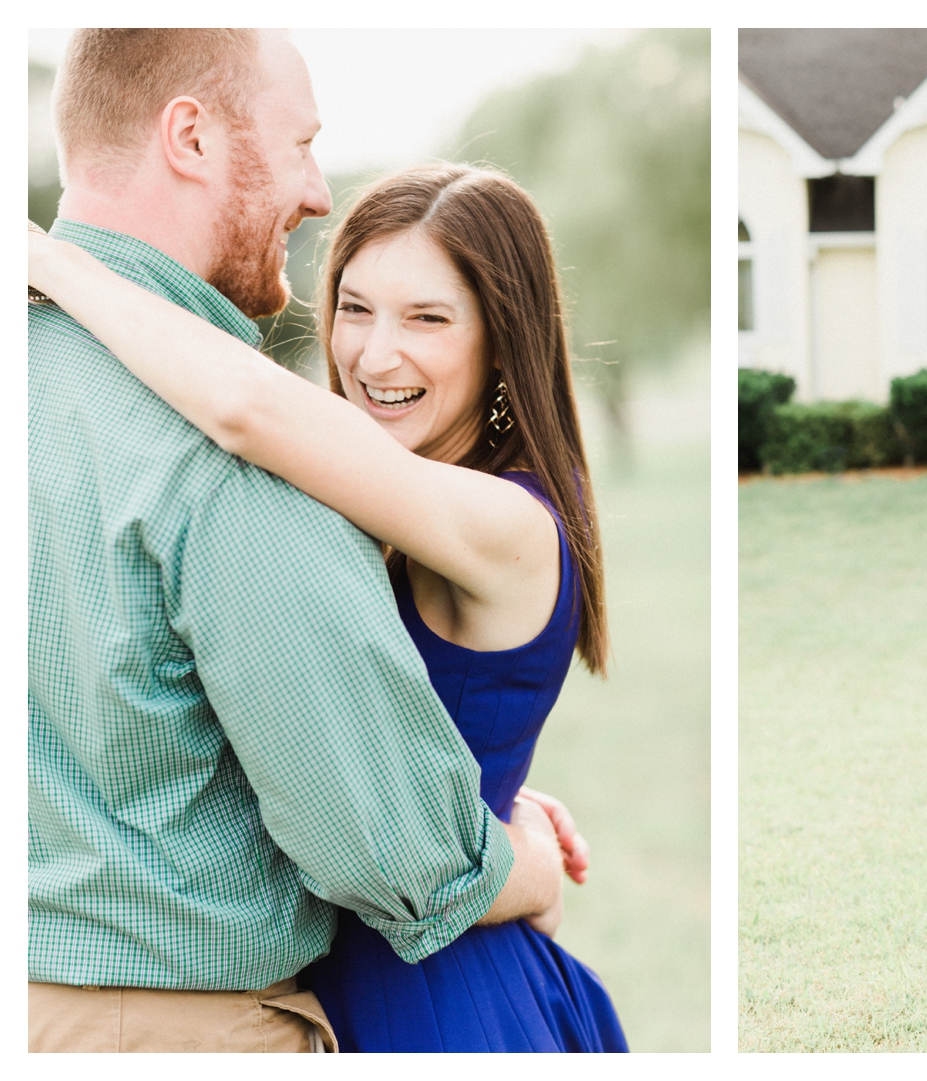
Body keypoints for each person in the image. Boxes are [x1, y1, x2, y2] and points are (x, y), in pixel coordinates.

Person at [28, 29, 581, 1053]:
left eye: (427, 317)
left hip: (416, 983)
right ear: (188, 136)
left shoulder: (494, 516)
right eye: (300, 142)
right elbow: (392, 843)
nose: (318, 188)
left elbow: (248, 406)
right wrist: (513, 851)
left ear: (502, 336)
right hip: (219, 1016)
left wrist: (52, 258)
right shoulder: (233, 471)